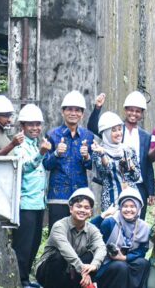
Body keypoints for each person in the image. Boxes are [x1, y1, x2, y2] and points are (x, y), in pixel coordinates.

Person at [89, 91, 155, 219]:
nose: (134, 114)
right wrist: (97, 108)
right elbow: (92, 126)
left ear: (142, 114)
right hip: (113, 186)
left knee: (136, 223)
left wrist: (151, 190)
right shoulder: (113, 128)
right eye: (131, 110)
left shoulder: (145, 136)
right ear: (125, 110)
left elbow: (147, 164)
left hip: (137, 185)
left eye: (138, 111)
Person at [11, 104, 52, 288]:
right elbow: (24, 168)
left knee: (35, 244)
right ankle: (20, 280)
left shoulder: (37, 143)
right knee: (23, 245)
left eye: (38, 124)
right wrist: (41, 154)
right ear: (23, 126)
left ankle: (26, 277)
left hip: (38, 203)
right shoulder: (20, 145)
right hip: (25, 203)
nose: (35, 128)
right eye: (31, 125)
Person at [43, 91, 95, 229]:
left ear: (82, 114)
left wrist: (87, 157)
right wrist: (56, 153)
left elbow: (90, 165)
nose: (73, 113)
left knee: (78, 234)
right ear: (62, 112)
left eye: (77, 110)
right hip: (58, 194)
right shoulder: (52, 135)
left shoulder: (88, 136)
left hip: (80, 195)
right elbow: (46, 164)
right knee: (57, 234)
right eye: (69, 109)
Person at [34, 188, 106, 288]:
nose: (82, 210)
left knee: (91, 255)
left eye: (86, 207)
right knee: (58, 257)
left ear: (90, 212)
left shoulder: (92, 229)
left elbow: (101, 248)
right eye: (79, 206)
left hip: (74, 272)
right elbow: (65, 249)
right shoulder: (59, 226)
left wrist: (94, 265)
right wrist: (83, 270)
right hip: (49, 273)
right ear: (71, 209)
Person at [91, 187, 151, 288]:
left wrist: (125, 258)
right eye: (125, 206)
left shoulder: (143, 226)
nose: (128, 210)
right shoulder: (110, 222)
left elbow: (142, 250)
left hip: (127, 259)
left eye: (132, 206)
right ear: (120, 207)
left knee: (143, 263)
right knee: (121, 266)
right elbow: (90, 229)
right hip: (108, 262)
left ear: (139, 208)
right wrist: (103, 215)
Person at [92, 112, 142, 210]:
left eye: (120, 129)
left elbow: (136, 177)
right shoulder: (98, 151)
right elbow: (106, 171)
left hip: (131, 199)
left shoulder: (128, 149)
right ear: (106, 133)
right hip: (111, 200)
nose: (119, 133)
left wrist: (131, 165)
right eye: (114, 130)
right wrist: (102, 155)